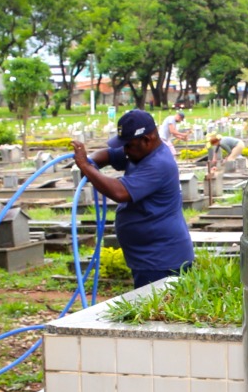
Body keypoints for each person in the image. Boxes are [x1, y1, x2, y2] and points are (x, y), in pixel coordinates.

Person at [72, 110, 195, 288]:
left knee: (156, 312)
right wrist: (91, 162)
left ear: (147, 140)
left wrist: (85, 166)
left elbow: (120, 192)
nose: (124, 150)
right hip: (148, 257)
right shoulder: (138, 153)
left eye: (128, 145)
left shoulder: (159, 163)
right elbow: (109, 154)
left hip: (162, 260)